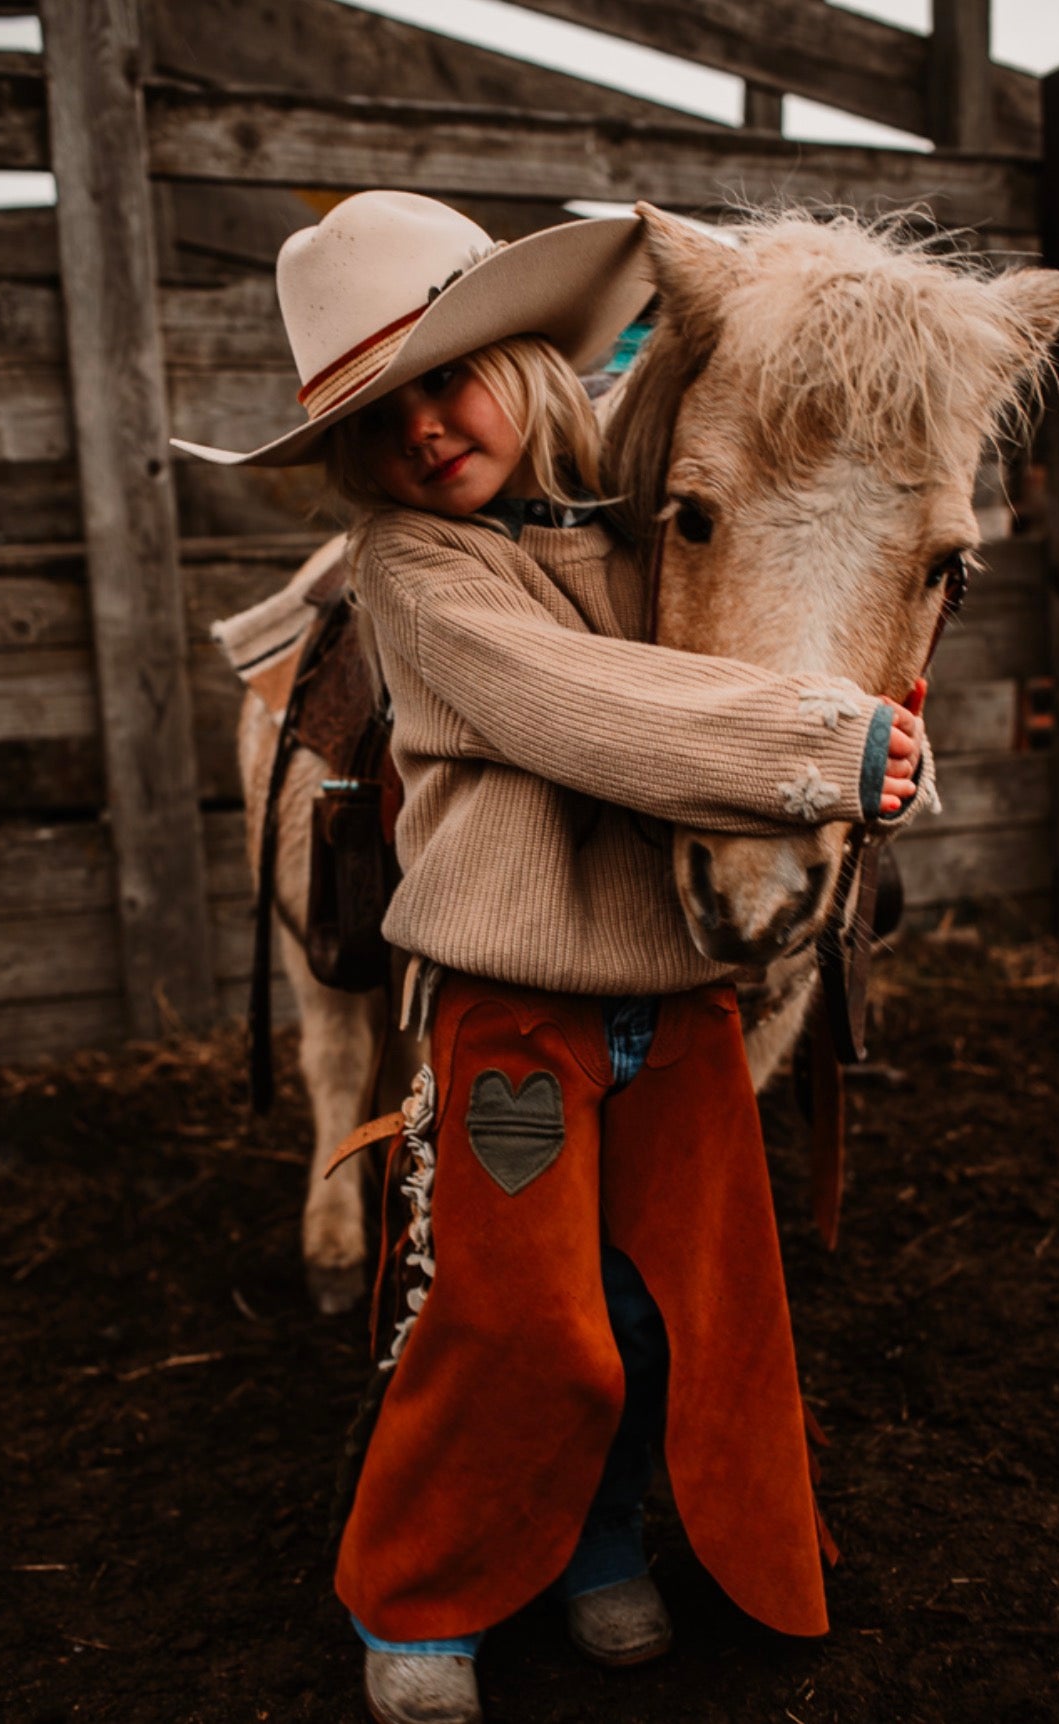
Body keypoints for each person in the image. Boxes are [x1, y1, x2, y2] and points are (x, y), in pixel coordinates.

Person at [174, 191, 931, 1724]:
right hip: (516, 1017)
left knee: (668, 1313)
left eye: (448, 375)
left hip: (680, 1005)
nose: (428, 431)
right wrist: (824, 750)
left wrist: (887, 742)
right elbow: (579, 704)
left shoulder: (658, 515)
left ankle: (593, 1549)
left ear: (522, 356)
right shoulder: (417, 575)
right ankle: (417, 1592)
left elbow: (784, 631)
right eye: (378, 418)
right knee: (519, 1316)